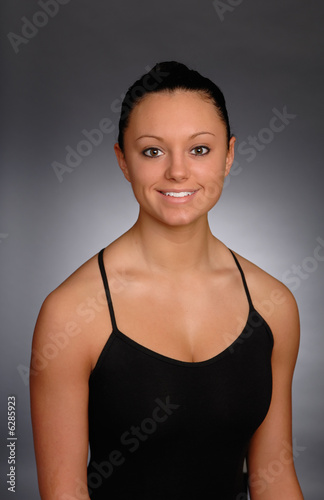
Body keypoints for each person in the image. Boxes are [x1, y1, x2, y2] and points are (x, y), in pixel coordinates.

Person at [30, 61, 304, 499]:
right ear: (122, 160)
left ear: (229, 155)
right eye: (152, 151)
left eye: (199, 150)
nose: (178, 172)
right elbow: (63, 491)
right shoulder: (71, 314)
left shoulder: (274, 305)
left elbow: (274, 480)